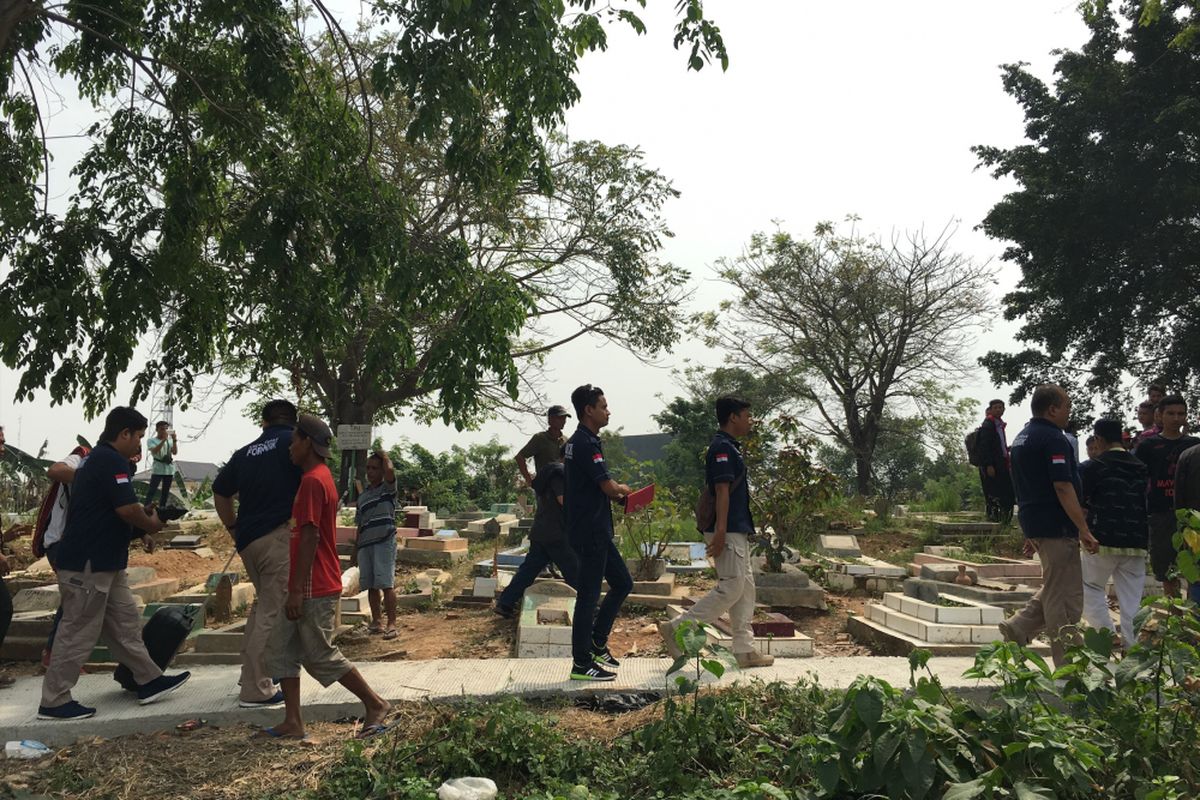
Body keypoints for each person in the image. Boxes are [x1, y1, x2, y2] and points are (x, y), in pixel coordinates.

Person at [38, 407, 191, 720]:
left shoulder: (101, 462)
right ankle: (54, 701)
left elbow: (111, 514)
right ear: (123, 434)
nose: (139, 444)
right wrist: (150, 523)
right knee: (78, 630)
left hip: (106, 563)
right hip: (88, 564)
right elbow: (126, 509)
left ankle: (148, 680)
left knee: (125, 626)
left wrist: (141, 526)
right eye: (137, 437)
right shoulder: (109, 460)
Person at [263, 414, 390, 741]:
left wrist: (295, 592)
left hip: (312, 586)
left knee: (320, 654)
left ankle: (375, 705)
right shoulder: (319, 478)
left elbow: (310, 538)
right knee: (281, 650)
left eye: (294, 441)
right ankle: (293, 721)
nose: (290, 447)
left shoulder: (312, 482)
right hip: (307, 581)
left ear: (307, 443)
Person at [659, 396, 773, 668]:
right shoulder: (721, 448)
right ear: (733, 417)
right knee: (732, 586)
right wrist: (720, 531)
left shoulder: (731, 447)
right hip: (727, 529)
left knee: (745, 588)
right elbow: (722, 491)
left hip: (736, 529)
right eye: (746, 415)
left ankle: (744, 650)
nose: (750, 420)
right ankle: (678, 628)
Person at [999, 385, 1099, 668]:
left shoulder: (1021, 437)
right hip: (1057, 525)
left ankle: (1020, 625)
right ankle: (1069, 667)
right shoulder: (1054, 439)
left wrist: (1031, 529)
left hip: (1035, 521)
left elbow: (1025, 484)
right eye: (1066, 406)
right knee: (1064, 600)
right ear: (1052, 409)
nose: (1069, 412)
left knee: (1059, 587)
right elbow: (1062, 485)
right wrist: (1083, 528)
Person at [212, 399, 301, 709]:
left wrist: (233, 527)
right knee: (273, 612)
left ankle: (249, 674)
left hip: (249, 540)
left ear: (263, 423)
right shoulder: (293, 444)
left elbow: (220, 492)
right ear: (294, 424)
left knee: (263, 607)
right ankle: (256, 689)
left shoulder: (244, 452)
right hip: (277, 537)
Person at [563, 385, 633, 682]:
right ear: (588, 410)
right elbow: (607, 486)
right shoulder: (583, 442)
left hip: (596, 528)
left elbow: (600, 481)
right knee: (589, 596)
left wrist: (619, 493)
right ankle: (581, 663)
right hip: (589, 529)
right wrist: (623, 491)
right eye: (603, 406)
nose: (608, 411)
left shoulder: (588, 440)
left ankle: (596, 642)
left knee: (622, 582)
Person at [1078, 419, 1149, 648]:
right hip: (1136, 540)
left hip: (1101, 538)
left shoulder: (1093, 467)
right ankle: (1133, 649)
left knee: (1088, 588)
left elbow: (1080, 502)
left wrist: (1082, 530)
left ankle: (1107, 636)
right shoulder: (1140, 466)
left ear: (1098, 440)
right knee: (1131, 600)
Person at [493, 451, 580, 618]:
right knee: (575, 570)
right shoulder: (559, 474)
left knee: (528, 571)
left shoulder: (546, 474)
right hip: (557, 534)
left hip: (541, 531)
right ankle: (591, 610)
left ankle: (505, 603)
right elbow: (563, 500)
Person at [1133, 395, 1199, 599]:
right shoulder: (1147, 446)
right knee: (1166, 571)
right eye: (1171, 413)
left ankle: (1193, 621)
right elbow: (1137, 480)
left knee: (1194, 569)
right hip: (1161, 514)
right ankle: (1177, 622)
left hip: (1192, 517)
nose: (1176, 418)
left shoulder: (1194, 446)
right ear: (1159, 415)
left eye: (1181, 414)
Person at [38, 444, 91, 667]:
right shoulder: (83, 458)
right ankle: (55, 656)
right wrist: (91, 478)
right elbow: (55, 470)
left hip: (73, 545)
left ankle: (59, 656)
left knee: (78, 597)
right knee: (75, 598)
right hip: (60, 544)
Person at [355, 451, 399, 639]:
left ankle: (392, 623)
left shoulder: (387, 490)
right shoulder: (363, 496)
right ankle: (376, 621)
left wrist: (386, 457)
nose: (370, 472)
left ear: (382, 470)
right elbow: (360, 524)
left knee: (386, 584)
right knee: (371, 585)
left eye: (375, 468)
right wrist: (354, 550)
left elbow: (390, 472)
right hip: (366, 544)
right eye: (368, 468)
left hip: (384, 541)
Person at [976, 399, 1015, 524]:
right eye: (996, 407)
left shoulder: (999, 424)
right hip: (993, 465)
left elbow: (997, 445)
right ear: (991, 410)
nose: (998, 410)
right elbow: (985, 446)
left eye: (1000, 407)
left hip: (1002, 462)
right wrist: (989, 465)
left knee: (1006, 492)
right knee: (994, 492)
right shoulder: (988, 425)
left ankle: (1003, 519)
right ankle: (994, 517)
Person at [1172, 440, 1200, 605]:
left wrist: (1183, 527)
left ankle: (1195, 626)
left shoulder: (1188, 455)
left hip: (1194, 530)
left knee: (1196, 577)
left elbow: (1178, 500)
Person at [516, 405, 571, 487]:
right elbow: (520, 457)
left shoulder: (566, 440)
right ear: (550, 419)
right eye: (560, 418)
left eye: (564, 418)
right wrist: (529, 479)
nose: (563, 421)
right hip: (545, 487)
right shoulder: (540, 438)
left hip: (563, 486)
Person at [143, 421, 177, 510]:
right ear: (157, 429)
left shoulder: (169, 441)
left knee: (165, 491)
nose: (164, 431)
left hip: (168, 469)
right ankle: (146, 507)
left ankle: (162, 508)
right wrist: (163, 441)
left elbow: (174, 452)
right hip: (158, 468)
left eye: (166, 429)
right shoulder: (151, 440)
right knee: (152, 490)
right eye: (162, 429)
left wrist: (174, 440)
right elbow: (154, 451)